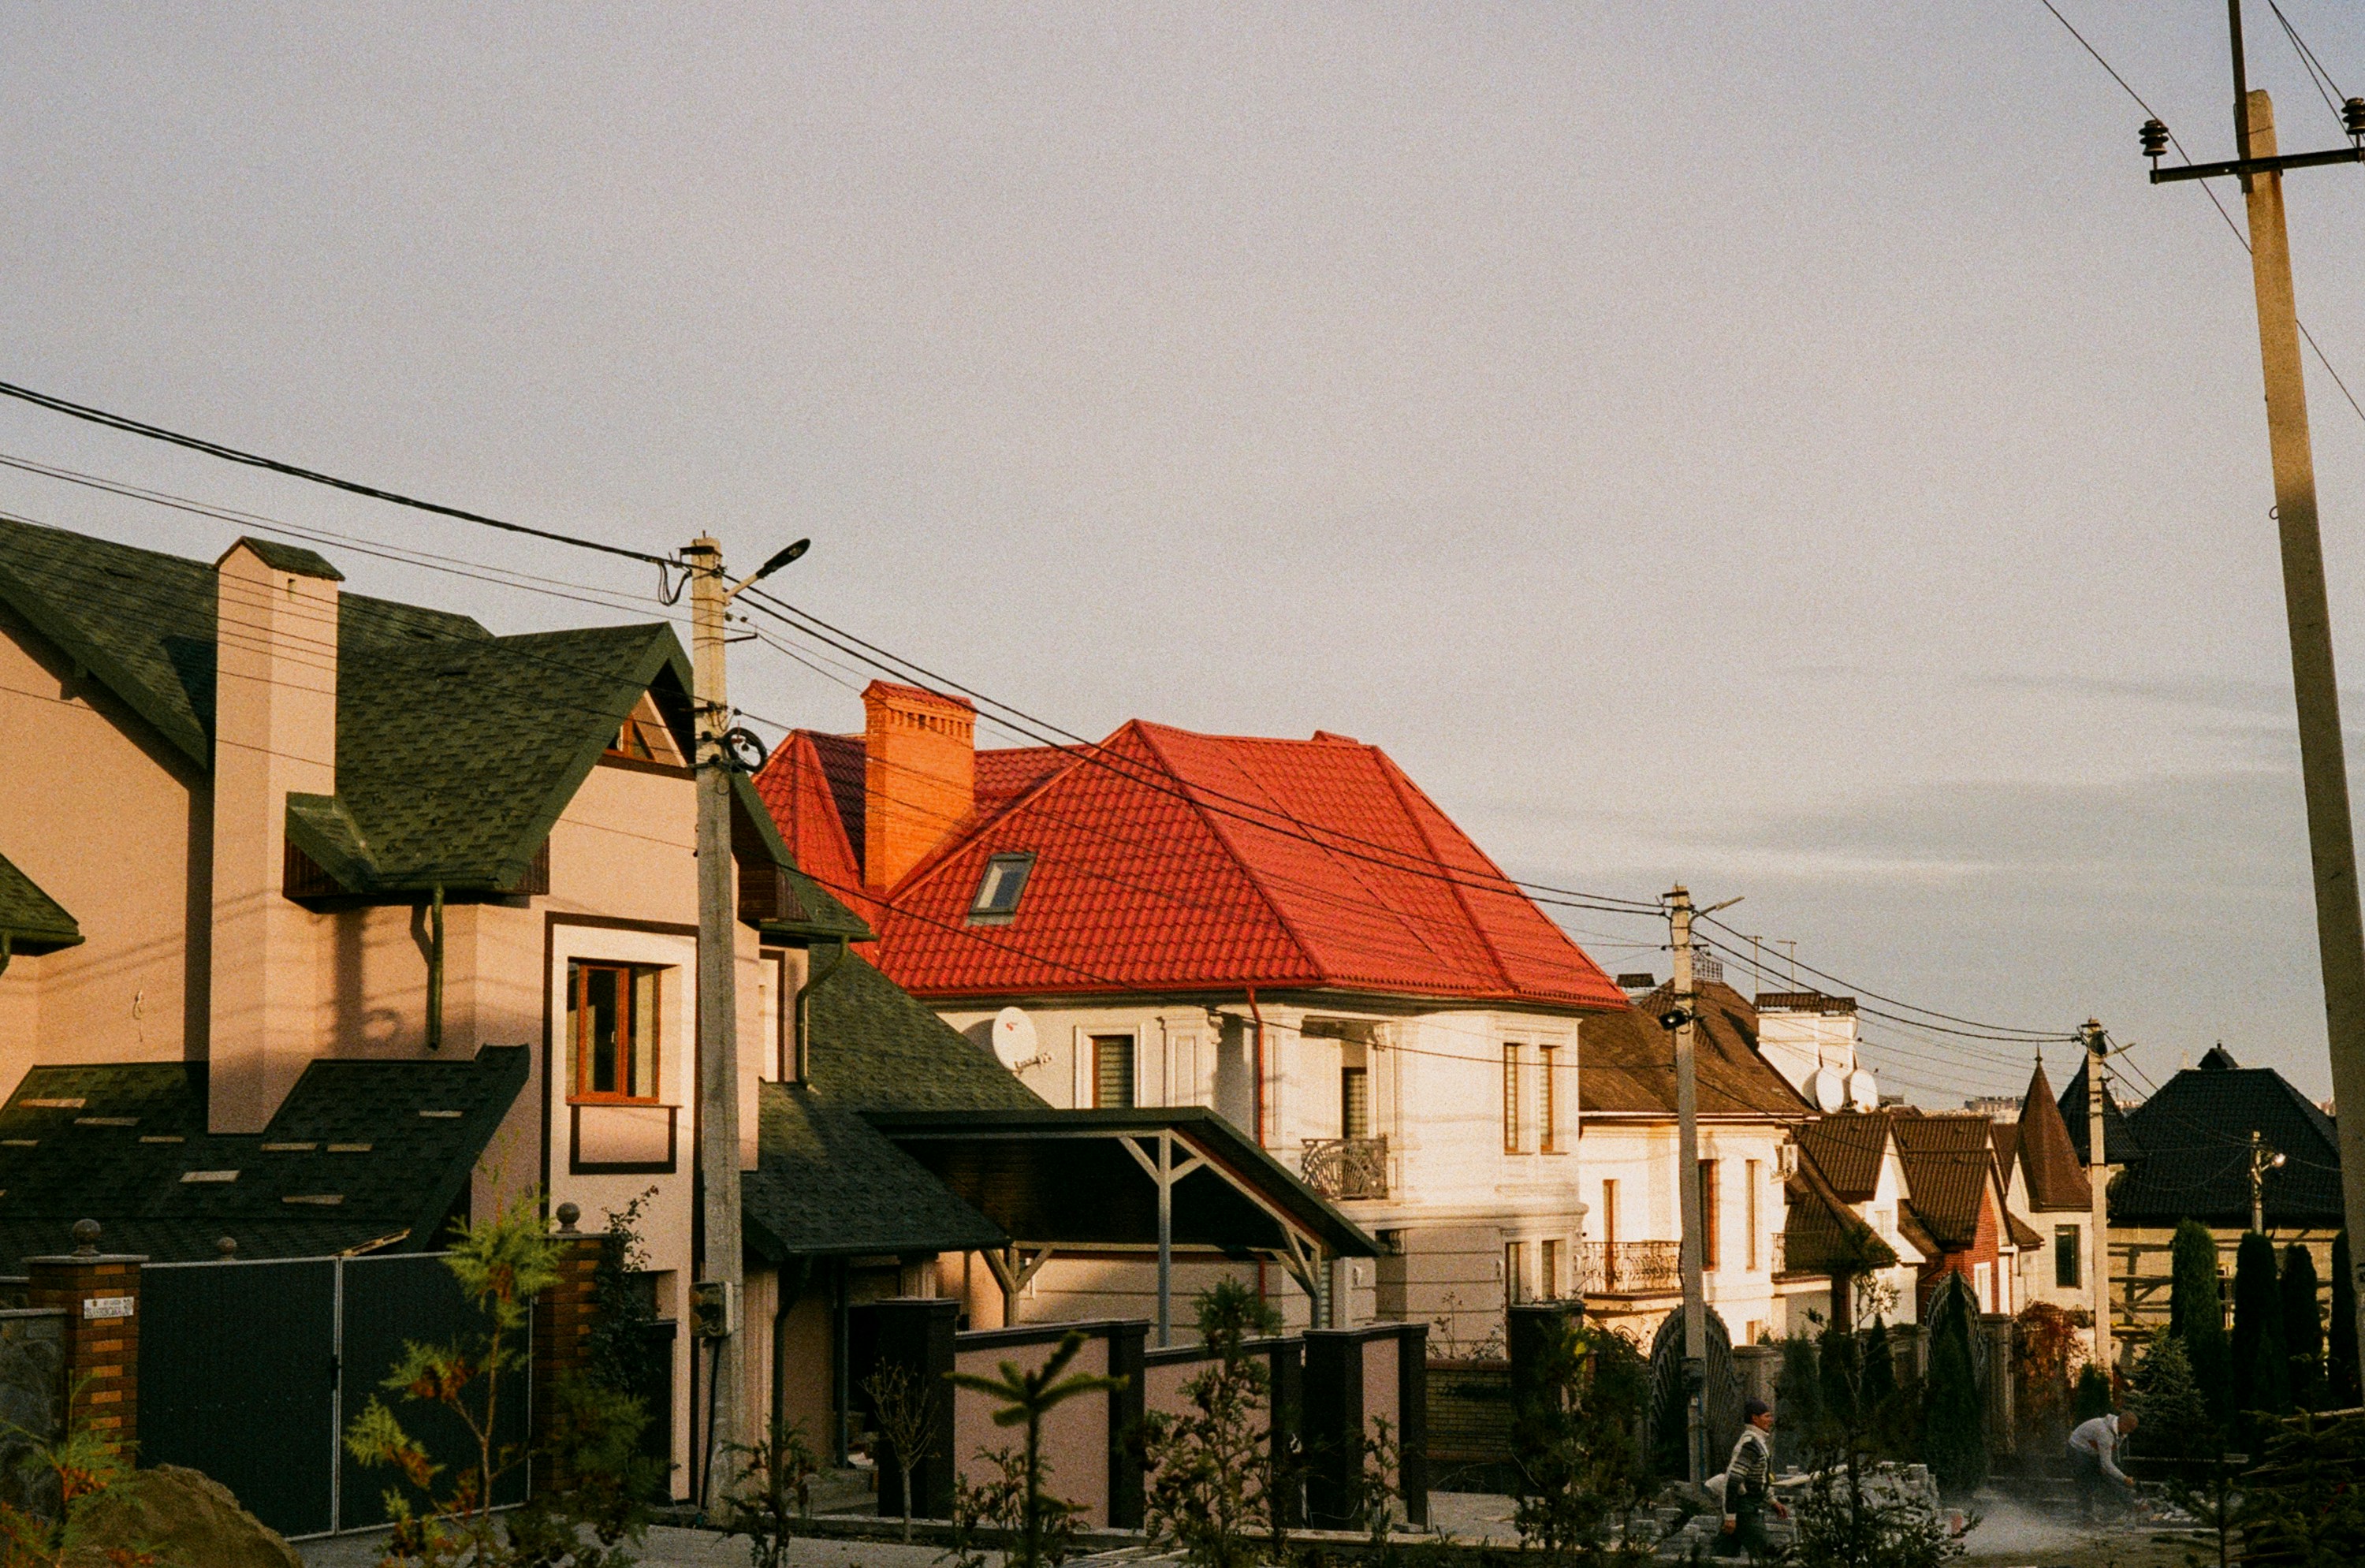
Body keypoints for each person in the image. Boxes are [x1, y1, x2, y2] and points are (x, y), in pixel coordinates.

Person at [1719, 1398, 1786, 1559]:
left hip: (1748, 1506)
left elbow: (1759, 1478)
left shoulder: (1758, 1442)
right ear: (1754, 1418)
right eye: (1767, 1416)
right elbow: (1733, 1480)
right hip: (1744, 1510)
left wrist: (1772, 1501)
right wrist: (1730, 1517)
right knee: (1769, 1555)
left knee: (1723, 1557)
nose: (1771, 1420)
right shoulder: (1750, 1444)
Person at [2067, 1408, 2139, 1522]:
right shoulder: (2104, 1433)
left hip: (2092, 1450)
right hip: (2077, 1449)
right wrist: (2124, 1478)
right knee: (2086, 1478)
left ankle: (2123, 1506)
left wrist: (2107, 1468)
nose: (2130, 1432)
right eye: (2130, 1429)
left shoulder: (2119, 1432)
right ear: (2123, 1424)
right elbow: (2106, 1463)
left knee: (2106, 1477)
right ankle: (2086, 1514)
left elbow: (2111, 1453)